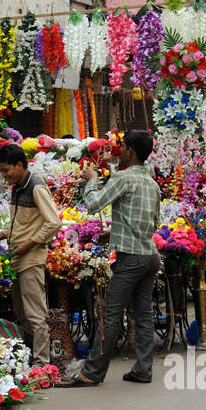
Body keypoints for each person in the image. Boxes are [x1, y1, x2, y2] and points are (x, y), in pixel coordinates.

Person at [62, 130, 162, 387]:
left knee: (110, 314)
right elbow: (154, 223)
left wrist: (93, 180)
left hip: (131, 259)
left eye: (124, 146)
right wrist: (116, 231)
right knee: (143, 315)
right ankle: (143, 369)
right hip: (149, 256)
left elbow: (94, 204)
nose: (121, 150)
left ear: (131, 151)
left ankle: (92, 372)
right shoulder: (152, 183)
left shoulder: (123, 178)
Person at [0, 143, 62, 367]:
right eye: (1, 170)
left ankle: (42, 364)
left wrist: (28, 244)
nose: (3, 175)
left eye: (6, 170)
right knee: (22, 314)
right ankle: (30, 359)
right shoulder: (17, 187)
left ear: (19, 165)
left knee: (36, 315)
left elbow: (54, 223)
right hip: (16, 259)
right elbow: (20, 224)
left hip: (30, 259)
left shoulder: (36, 187)